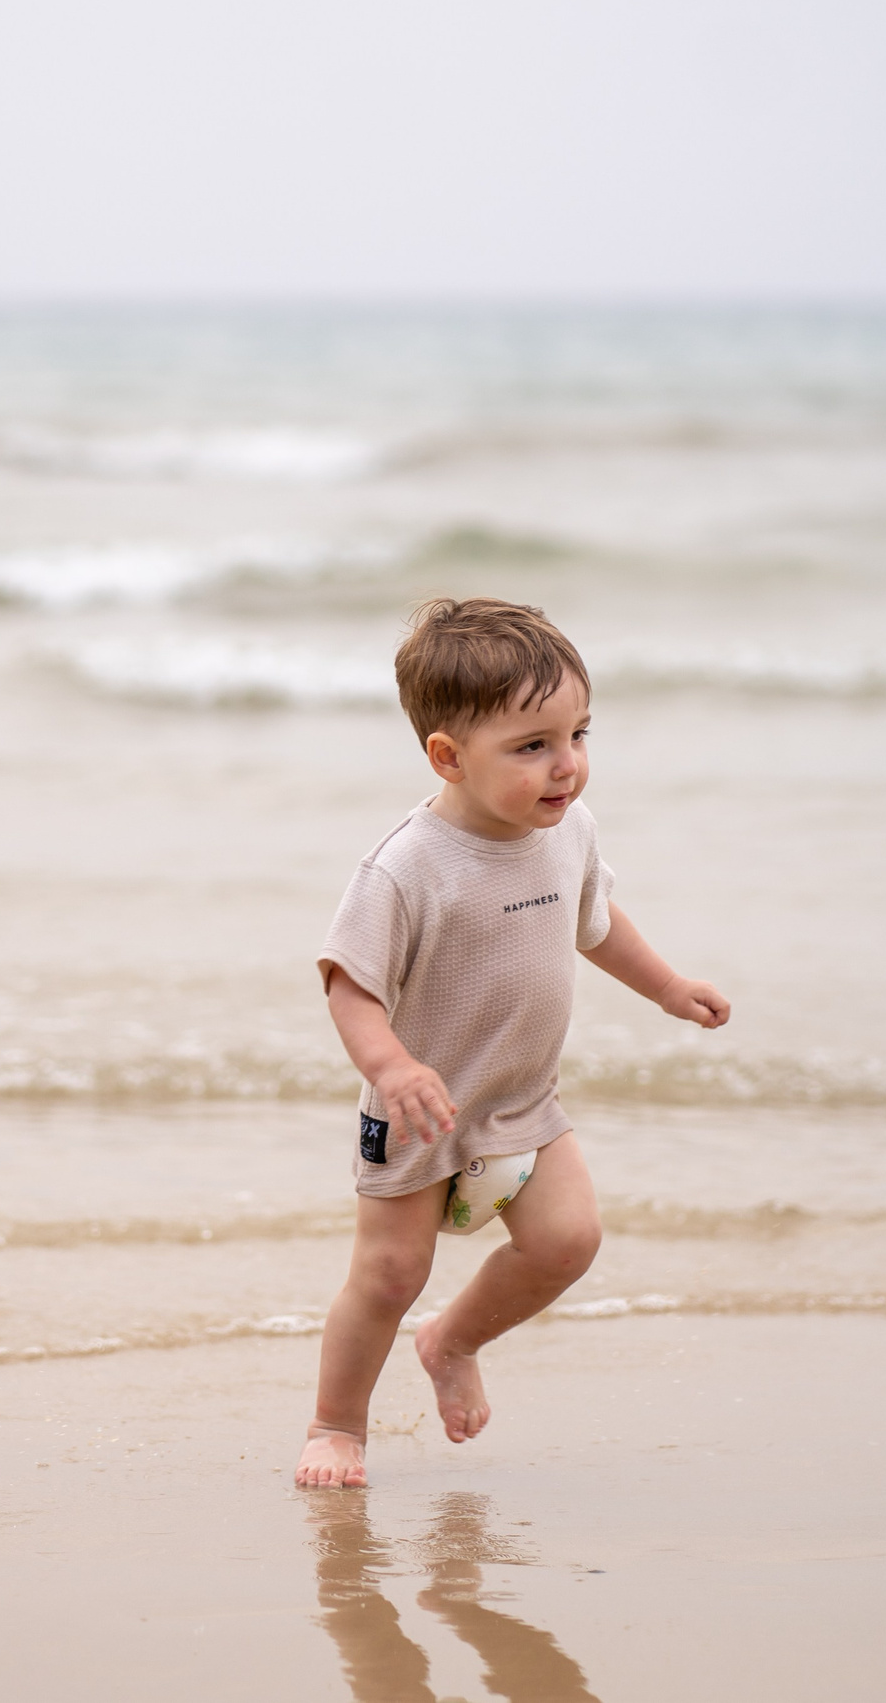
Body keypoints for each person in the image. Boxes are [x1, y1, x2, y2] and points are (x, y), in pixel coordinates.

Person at [295, 597, 730, 1491]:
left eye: (578, 733)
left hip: (523, 1101)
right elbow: (350, 983)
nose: (566, 765)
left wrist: (668, 986)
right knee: (387, 1274)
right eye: (532, 746)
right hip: (420, 1108)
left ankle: (453, 1340)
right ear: (448, 756)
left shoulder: (566, 830)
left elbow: (595, 922)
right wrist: (392, 1066)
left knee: (569, 1241)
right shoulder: (406, 865)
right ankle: (336, 1425)